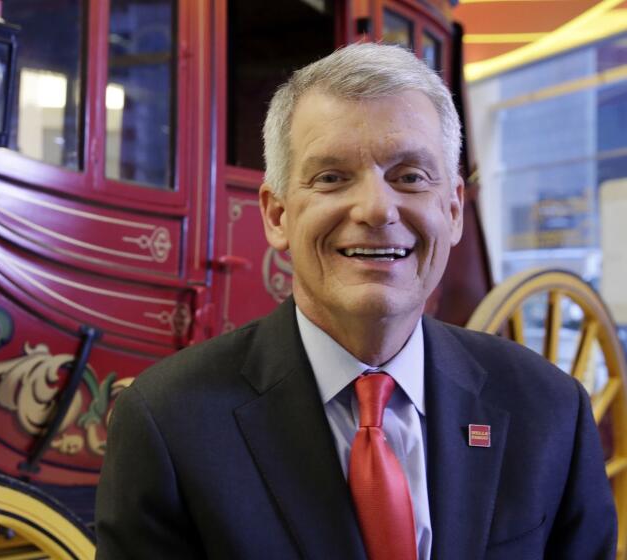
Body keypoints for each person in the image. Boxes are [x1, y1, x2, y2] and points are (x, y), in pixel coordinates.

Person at [94, 43, 616, 559]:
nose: (374, 208)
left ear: (454, 209)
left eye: (410, 176)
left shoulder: (550, 413)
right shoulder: (167, 422)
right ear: (277, 215)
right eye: (331, 178)